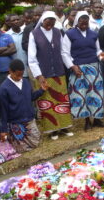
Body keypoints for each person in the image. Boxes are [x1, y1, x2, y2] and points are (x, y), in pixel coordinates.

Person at [28, 11, 73, 140]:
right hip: (44, 74)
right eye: (48, 23)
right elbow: (31, 58)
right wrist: (39, 75)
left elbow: (63, 52)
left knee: (61, 100)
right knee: (47, 101)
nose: (50, 25)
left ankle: (64, 126)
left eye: (53, 23)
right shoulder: (34, 34)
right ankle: (53, 130)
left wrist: (71, 66)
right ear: (43, 21)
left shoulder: (58, 32)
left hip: (59, 72)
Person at [62, 11, 104, 131]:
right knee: (83, 94)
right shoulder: (70, 34)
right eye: (82, 21)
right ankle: (87, 121)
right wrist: (72, 66)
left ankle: (97, 119)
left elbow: (97, 50)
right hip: (79, 69)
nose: (84, 23)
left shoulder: (93, 34)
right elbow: (65, 53)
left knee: (96, 93)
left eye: (86, 21)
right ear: (77, 21)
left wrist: (102, 55)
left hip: (94, 67)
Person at [0, 60, 44, 153]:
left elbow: (30, 97)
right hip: (16, 124)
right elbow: (3, 110)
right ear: (10, 71)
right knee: (22, 150)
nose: (20, 77)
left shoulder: (26, 82)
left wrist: (41, 90)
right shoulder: (4, 88)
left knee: (36, 144)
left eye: (22, 74)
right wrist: (3, 130)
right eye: (17, 75)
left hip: (30, 120)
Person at [6, 14, 29, 79]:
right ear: (10, 23)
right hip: (15, 69)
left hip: (28, 67)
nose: (16, 21)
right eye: (13, 20)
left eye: (17, 19)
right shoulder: (7, 35)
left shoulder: (26, 32)